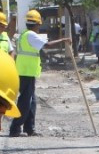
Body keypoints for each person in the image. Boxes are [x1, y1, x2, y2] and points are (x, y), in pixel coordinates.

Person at [8, 9, 70, 138]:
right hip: (26, 72)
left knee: (32, 102)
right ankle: (15, 128)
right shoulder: (31, 35)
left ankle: (29, 128)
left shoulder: (25, 34)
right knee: (25, 101)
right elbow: (46, 45)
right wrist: (63, 40)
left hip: (27, 72)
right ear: (37, 24)